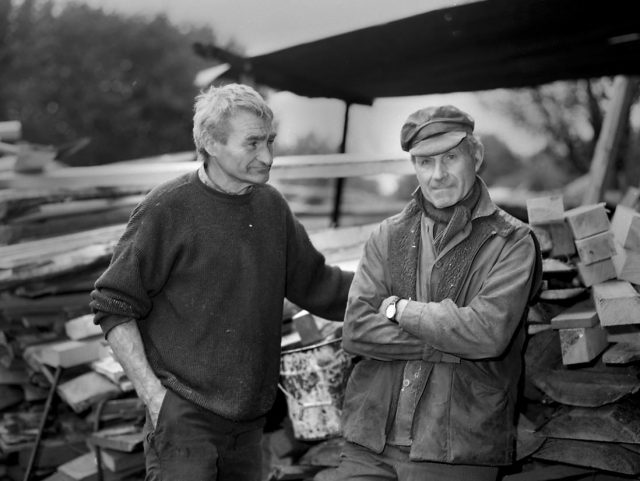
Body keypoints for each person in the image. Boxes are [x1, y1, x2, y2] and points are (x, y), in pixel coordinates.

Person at [90, 83, 354, 481]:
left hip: (249, 423)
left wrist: (396, 290)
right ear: (211, 143)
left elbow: (318, 284)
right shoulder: (168, 208)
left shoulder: (271, 207)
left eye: (270, 141)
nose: (267, 156)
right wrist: (154, 396)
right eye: (252, 144)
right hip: (184, 418)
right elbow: (113, 305)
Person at [332, 105, 542, 481]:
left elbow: (487, 334)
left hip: (458, 449)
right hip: (369, 441)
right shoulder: (387, 235)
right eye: (425, 162)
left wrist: (399, 310)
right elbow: (356, 329)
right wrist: (448, 344)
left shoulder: (512, 241)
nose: (438, 174)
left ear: (475, 157)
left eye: (450, 158)